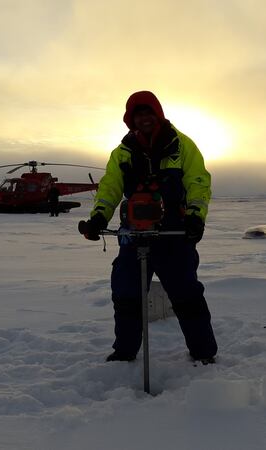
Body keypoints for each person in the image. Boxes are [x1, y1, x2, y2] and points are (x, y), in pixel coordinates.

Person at [78, 91, 218, 364]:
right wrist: (98, 219)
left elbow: (198, 182)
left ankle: (203, 353)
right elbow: (110, 189)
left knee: (186, 294)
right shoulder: (122, 153)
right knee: (126, 294)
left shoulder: (183, 146)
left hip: (174, 235)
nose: (144, 119)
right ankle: (125, 352)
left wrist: (195, 217)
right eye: (138, 115)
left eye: (149, 113)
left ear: (158, 114)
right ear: (130, 120)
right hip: (134, 234)